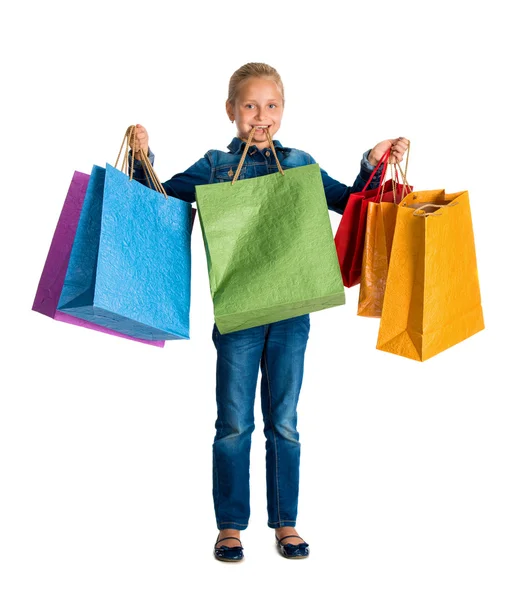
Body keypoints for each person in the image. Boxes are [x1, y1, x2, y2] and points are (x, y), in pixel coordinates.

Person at [129, 62, 409, 561]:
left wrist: (373, 163)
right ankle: (230, 526)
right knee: (233, 423)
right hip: (237, 313)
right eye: (251, 105)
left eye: (272, 105)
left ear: (283, 109)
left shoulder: (300, 161)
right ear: (231, 110)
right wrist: (142, 155)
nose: (262, 115)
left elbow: (350, 203)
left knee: (284, 421)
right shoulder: (214, 165)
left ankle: (286, 523)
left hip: (292, 312)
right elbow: (157, 201)